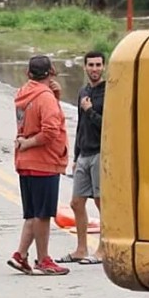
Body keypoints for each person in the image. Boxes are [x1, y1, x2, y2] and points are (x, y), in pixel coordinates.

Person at [8, 55, 71, 276]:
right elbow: (51, 130)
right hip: (43, 162)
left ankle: (20, 255)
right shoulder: (45, 98)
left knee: (33, 214)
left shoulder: (23, 93)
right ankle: (43, 259)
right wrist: (30, 143)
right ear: (52, 71)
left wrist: (55, 96)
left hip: (25, 162)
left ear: (28, 73)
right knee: (43, 215)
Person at [61, 51, 106, 265]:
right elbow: (80, 126)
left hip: (100, 153)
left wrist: (90, 111)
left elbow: (109, 126)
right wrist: (76, 155)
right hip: (84, 153)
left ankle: (103, 249)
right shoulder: (83, 91)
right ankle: (81, 248)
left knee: (101, 203)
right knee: (76, 202)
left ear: (104, 67)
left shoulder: (109, 93)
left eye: (98, 65)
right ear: (85, 67)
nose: (95, 69)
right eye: (91, 65)